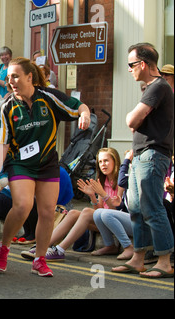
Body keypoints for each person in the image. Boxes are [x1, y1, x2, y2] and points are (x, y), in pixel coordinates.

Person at [0, 57, 91, 277]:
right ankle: (4, 247)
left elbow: (78, 106)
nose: (11, 82)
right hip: (20, 164)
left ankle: (40, 259)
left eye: (15, 76)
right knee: (23, 206)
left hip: (47, 164)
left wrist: (84, 114)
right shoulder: (8, 106)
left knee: (47, 212)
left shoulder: (48, 97)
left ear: (30, 77)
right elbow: (3, 142)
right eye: (9, 78)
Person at [112, 43, 174, 278]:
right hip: (140, 156)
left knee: (152, 208)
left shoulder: (158, 87)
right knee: (136, 210)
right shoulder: (152, 88)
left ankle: (165, 261)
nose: (129, 69)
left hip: (152, 155)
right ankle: (138, 259)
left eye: (131, 64)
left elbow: (131, 121)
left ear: (144, 64)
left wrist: (132, 117)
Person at [92, 150, 133, 260]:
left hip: (131, 219)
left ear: (115, 162)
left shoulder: (122, 179)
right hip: (112, 218)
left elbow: (117, 208)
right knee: (97, 213)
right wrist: (92, 195)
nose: (103, 164)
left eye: (106, 161)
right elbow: (99, 208)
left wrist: (103, 194)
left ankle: (128, 247)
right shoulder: (102, 180)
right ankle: (110, 245)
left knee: (105, 214)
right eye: (100, 162)